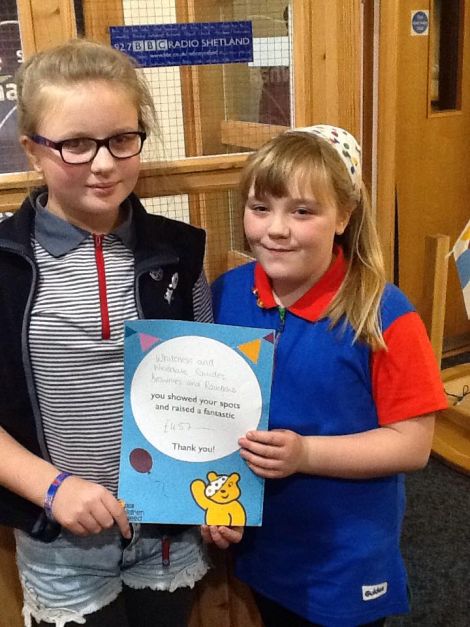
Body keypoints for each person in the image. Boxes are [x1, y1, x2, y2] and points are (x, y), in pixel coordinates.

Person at [0, 39, 240, 627]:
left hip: (169, 531)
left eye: (120, 139)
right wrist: (52, 488)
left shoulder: (180, 251)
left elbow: (210, 391)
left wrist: (224, 490)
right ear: (34, 150)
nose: (103, 164)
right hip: (60, 537)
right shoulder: (3, 263)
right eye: (75, 144)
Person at [211, 125, 448, 627]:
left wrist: (306, 454)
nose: (275, 229)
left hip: (345, 557)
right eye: (260, 208)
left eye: (302, 211)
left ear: (343, 215)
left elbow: (412, 445)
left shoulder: (383, 315)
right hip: (264, 545)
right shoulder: (226, 294)